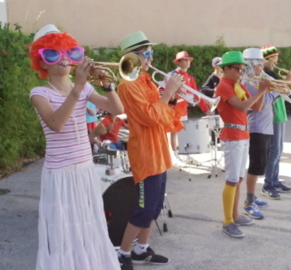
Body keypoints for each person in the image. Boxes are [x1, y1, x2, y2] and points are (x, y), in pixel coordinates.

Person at [28, 24, 124, 270]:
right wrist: (79, 86)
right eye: (52, 54)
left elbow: (117, 109)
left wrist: (108, 86)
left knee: (89, 228)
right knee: (63, 233)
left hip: (84, 171)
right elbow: (56, 123)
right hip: (60, 174)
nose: (62, 59)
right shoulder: (39, 93)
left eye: (68, 53)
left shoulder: (84, 87)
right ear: (42, 62)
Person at [115, 31, 184, 270]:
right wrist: (166, 94)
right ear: (131, 57)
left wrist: (171, 98)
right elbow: (150, 117)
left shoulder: (146, 81)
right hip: (145, 154)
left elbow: (163, 116)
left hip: (158, 151)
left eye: (151, 53)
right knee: (143, 210)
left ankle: (141, 250)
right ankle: (123, 253)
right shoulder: (128, 85)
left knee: (155, 208)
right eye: (147, 54)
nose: (150, 59)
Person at [215, 51, 270, 238]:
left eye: (242, 69)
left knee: (238, 179)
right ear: (226, 69)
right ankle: (227, 221)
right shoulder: (224, 85)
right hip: (232, 135)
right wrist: (261, 90)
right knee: (232, 180)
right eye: (238, 69)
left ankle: (236, 216)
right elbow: (241, 107)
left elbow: (256, 107)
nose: (241, 72)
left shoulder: (237, 84)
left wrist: (264, 91)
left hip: (243, 134)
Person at [159, 51, 212, 161]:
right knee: (174, 132)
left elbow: (196, 94)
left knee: (184, 132)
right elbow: (161, 91)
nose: (188, 62)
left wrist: (206, 109)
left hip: (183, 109)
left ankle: (185, 153)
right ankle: (175, 154)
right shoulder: (171, 75)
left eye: (189, 60)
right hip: (173, 109)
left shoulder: (190, 78)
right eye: (185, 60)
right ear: (178, 62)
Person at [240, 48, 274, 219]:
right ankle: (249, 202)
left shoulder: (256, 81)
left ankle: (251, 196)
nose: (262, 67)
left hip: (265, 127)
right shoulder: (249, 83)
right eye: (259, 64)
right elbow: (260, 105)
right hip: (257, 128)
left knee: (260, 165)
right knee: (255, 166)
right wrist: (273, 91)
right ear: (250, 65)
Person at [261, 45, 291, 194]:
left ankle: (275, 180)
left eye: (276, 58)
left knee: (279, 150)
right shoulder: (266, 75)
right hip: (273, 114)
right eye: (274, 59)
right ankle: (268, 184)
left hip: (280, 114)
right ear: (265, 59)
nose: (276, 62)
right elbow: (278, 89)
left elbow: (285, 92)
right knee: (274, 150)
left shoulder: (272, 73)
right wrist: (288, 79)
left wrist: (289, 82)